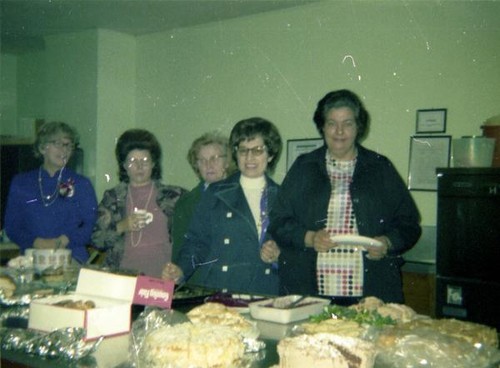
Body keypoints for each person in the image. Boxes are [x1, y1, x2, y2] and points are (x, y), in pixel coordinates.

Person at [268, 89, 421, 304]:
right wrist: (310, 238)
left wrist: (387, 243)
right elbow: (278, 221)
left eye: (347, 123)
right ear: (322, 127)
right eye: (332, 123)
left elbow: (409, 223)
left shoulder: (380, 167)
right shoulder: (303, 167)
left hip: (370, 292)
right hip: (309, 292)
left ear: (359, 127)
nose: (339, 131)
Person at [162, 117, 282, 295]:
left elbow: (293, 247)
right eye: (243, 150)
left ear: (270, 154)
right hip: (223, 289)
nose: (249, 157)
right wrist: (181, 270)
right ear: (236, 154)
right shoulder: (215, 193)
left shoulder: (282, 196)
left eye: (257, 150)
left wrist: (278, 255)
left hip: (264, 290)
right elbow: (196, 243)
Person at [91, 129, 186, 278]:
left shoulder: (174, 196)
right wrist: (122, 226)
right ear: (123, 165)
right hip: (122, 279)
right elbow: (97, 240)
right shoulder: (113, 197)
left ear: (154, 163)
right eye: (132, 161)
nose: (139, 167)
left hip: (163, 279)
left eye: (145, 161)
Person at [4, 121, 98, 263]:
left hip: (71, 257)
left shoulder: (82, 184)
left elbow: (91, 224)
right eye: (57, 144)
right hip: (33, 258)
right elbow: (12, 226)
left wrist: (65, 240)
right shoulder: (21, 182)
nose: (64, 150)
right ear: (42, 148)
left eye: (68, 145)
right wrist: (36, 242)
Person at [171, 131, 233, 263]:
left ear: (227, 162)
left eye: (215, 158)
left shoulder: (242, 196)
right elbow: (180, 251)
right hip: (199, 279)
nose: (209, 165)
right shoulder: (186, 202)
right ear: (196, 166)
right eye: (202, 160)